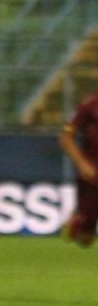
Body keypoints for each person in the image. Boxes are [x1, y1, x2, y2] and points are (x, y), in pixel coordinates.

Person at [59, 85, 98, 246]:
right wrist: (82, 163)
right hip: (93, 175)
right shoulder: (90, 105)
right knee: (85, 239)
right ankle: (79, 222)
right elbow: (66, 136)